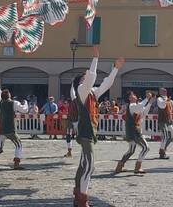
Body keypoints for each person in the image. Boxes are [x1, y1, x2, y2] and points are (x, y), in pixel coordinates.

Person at [73, 46, 124, 207]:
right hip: (85, 133)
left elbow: (106, 84)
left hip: (88, 133)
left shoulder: (92, 94)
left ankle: (77, 195)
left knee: (83, 164)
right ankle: (82, 199)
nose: (86, 78)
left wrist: (115, 69)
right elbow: (91, 78)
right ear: (80, 83)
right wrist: (95, 59)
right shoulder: (81, 91)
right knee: (90, 166)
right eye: (83, 78)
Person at [0, 88, 29, 170]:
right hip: (10, 129)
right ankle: (16, 163)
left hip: (2, 129)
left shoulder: (0, 105)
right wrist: (26, 103)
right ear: (9, 95)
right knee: (18, 144)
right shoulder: (13, 103)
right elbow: (25, 110)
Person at [115, 91, 153, 174]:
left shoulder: (134, 106)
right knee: (146, 148)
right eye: (133, 95)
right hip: (135, 131)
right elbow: (140, 107)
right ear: (129, 98)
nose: (135, 96)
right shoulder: (132, 105)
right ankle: (138, 166)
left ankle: (119, 166)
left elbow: (143, 113)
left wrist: (149, 103)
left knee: (131, 150)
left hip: (132, 131)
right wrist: (147, 99)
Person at [64, 86, 79, 158]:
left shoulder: (78, 101)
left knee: (80, 136)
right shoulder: (75, 101)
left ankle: (70, 151)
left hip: (76, 121)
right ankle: (69, 151)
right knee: (68, 135)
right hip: (72, 120)